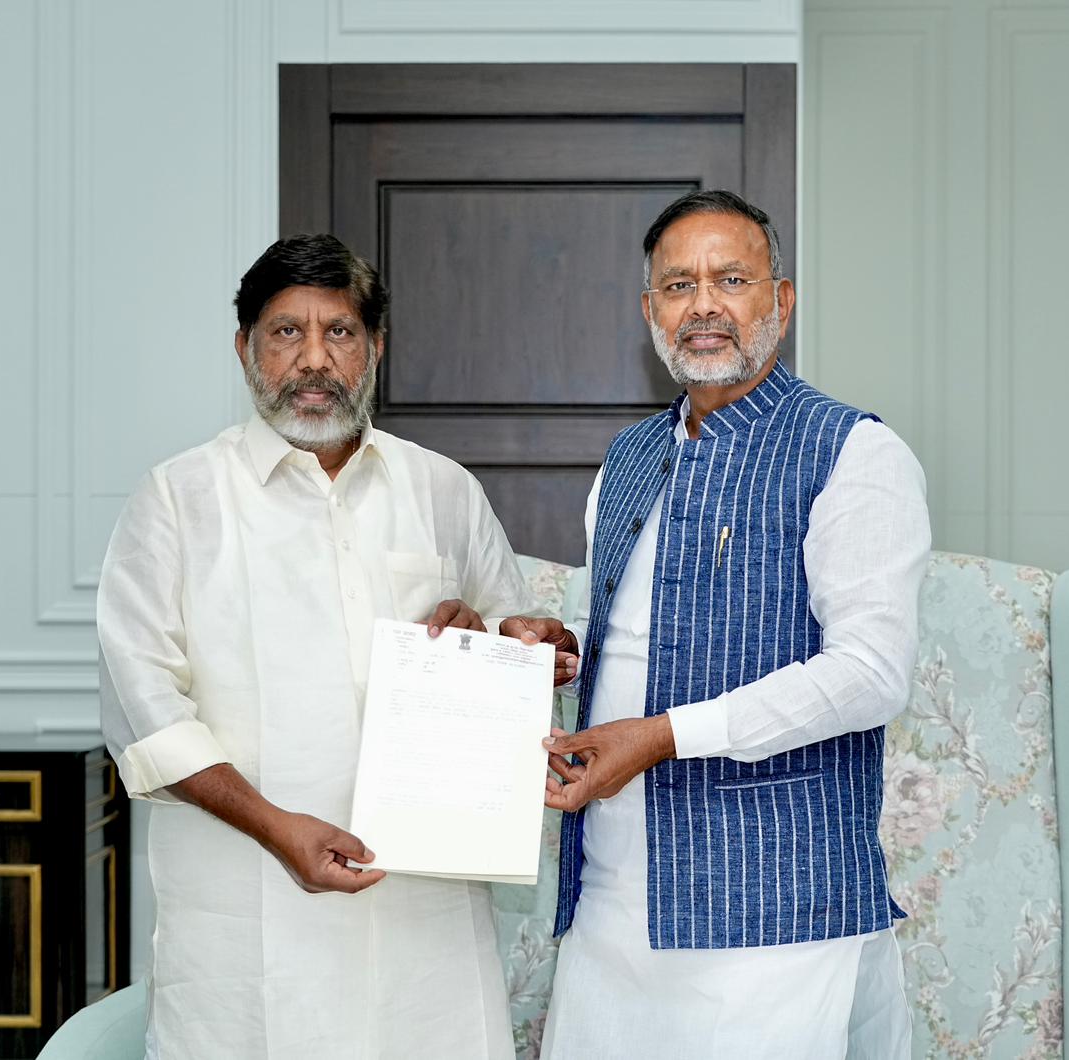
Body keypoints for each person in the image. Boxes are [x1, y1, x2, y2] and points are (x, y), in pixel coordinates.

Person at [98, 234, 547, 1059]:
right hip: (245, 924)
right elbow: (145, 714)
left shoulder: (444, 490)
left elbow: (517, 644)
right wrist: (276, 827)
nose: (313, 359)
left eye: (339, 331)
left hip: (426, 933)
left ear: (375, 347)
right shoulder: (177, 500)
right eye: (285, 333)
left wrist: (495, 643)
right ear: (245, 348)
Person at [509, 190, 930, 1058]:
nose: (703, 305)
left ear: (782, 300)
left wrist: (664, 737)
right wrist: (566, 653)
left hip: (775, 905)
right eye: (678, 286)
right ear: (649, 311)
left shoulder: (853, 451)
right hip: (612, 894)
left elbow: (871, 673)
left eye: (731, 280)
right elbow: (637, 637)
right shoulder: (629, 456)